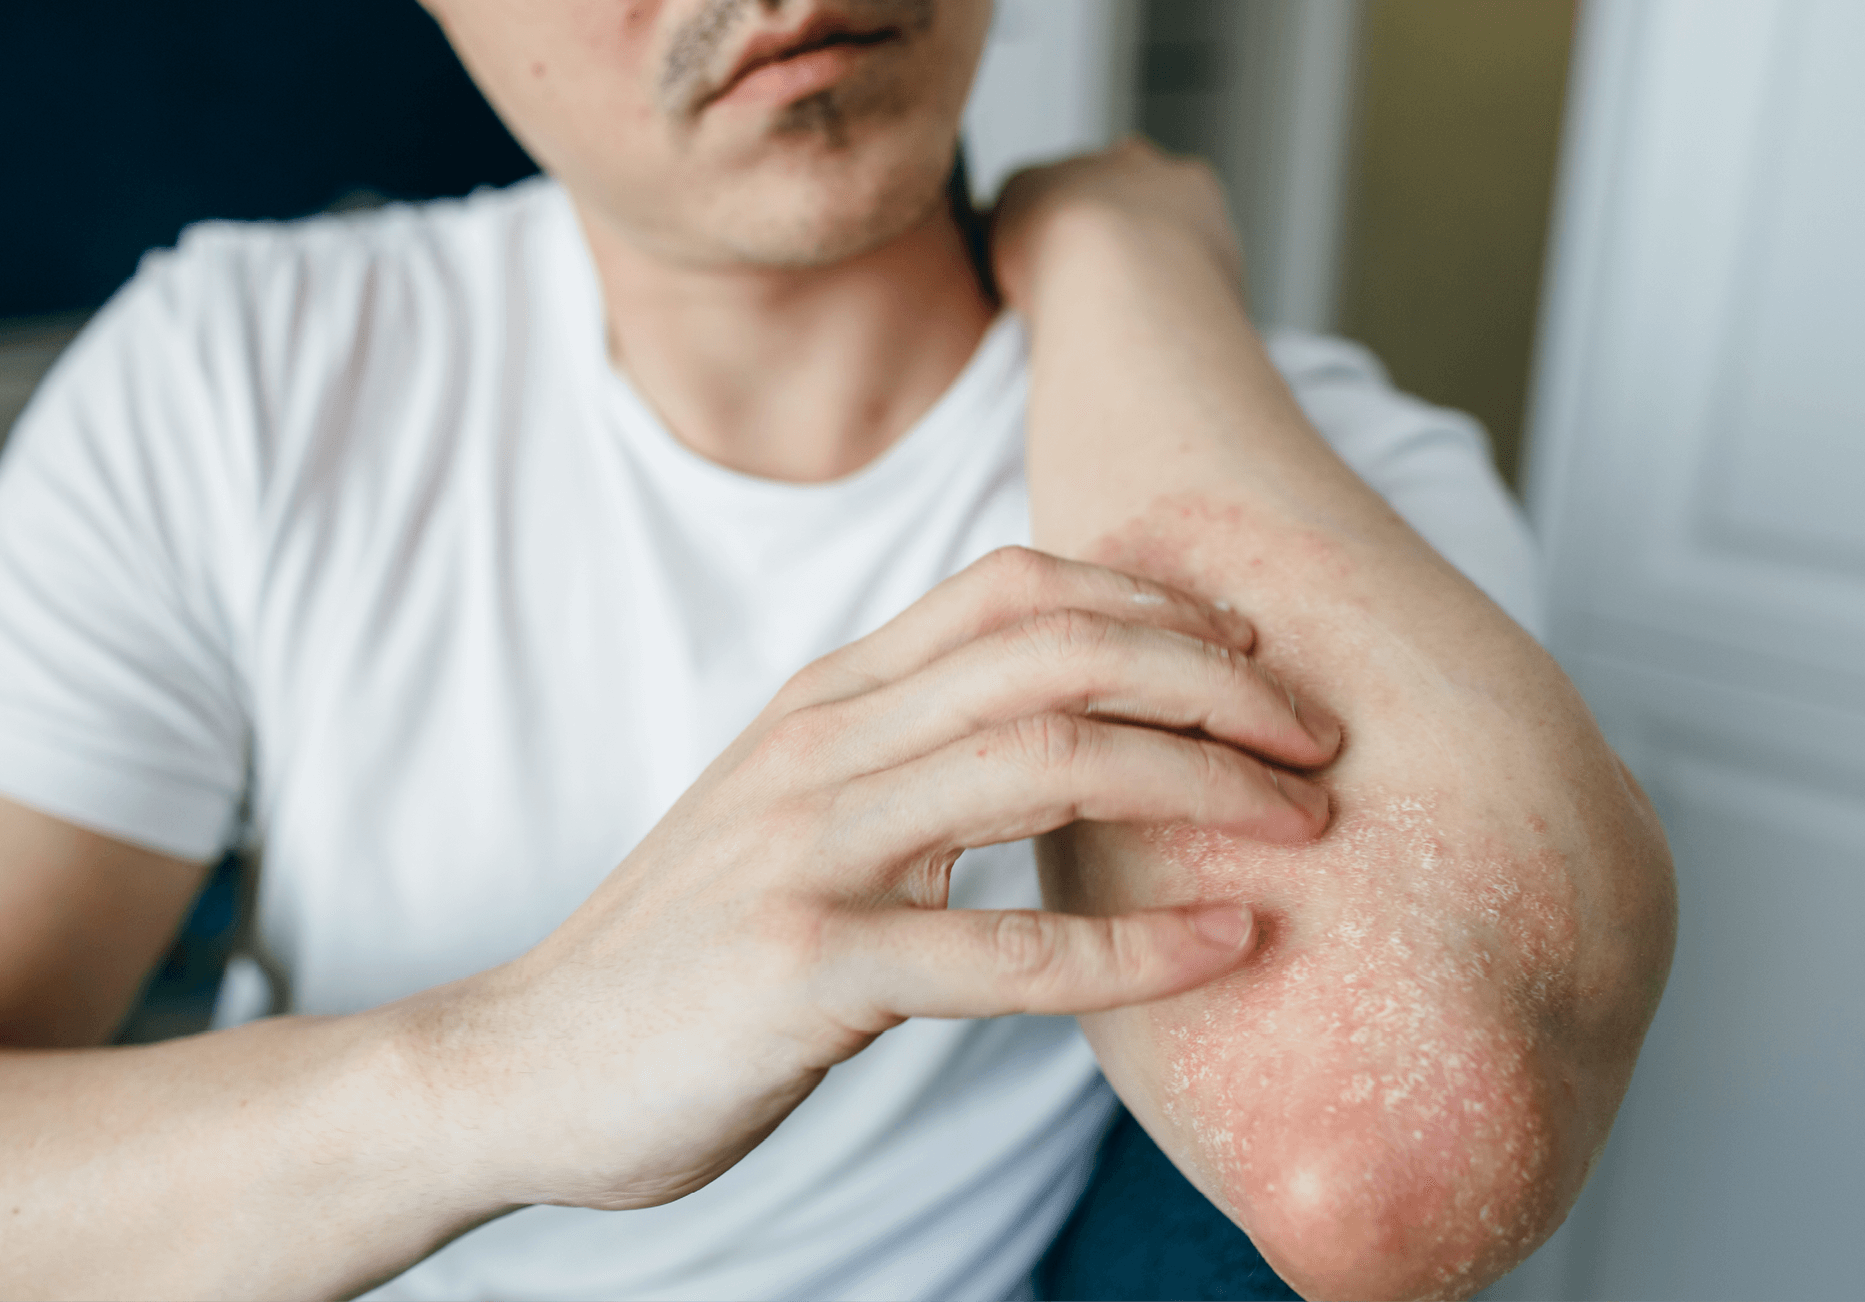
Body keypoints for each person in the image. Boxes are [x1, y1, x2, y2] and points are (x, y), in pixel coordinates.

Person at [0, 0, 1676, 1298]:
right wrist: (516, 1066)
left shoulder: (1334, 476)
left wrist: (1117, 248)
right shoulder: (234, 373)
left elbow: (1407, 1155)